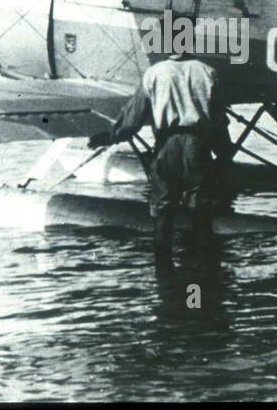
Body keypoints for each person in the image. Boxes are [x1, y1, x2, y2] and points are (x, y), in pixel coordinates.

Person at [89, 51, 233, 262]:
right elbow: (219, 120)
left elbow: (133, 119)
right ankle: (205, 275)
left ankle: (164, 275)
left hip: (167, 146)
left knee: (163, 213)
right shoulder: (208, 72)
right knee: (201, 214)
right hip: (198, 146)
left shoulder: (153, 74)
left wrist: (112, 136)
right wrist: (224, 154)